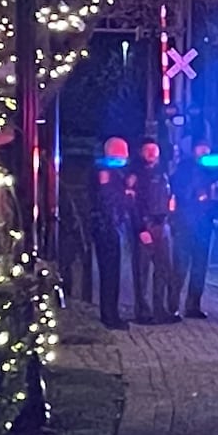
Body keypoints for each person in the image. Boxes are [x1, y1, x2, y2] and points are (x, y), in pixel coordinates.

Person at [172, 141, 218, 319]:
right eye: (201, 149)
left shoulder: (213, 171)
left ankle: (193, 305)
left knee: (200, 267)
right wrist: (198, 191)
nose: (204, 153)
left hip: (205, 225)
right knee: (180, 267)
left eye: (207, 150)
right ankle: (172, 305)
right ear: (194, 151)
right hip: (186, 224)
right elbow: (180, 192)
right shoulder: (185, 169)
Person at [132, 139, 180, 324]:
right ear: (141, 153)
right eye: (148, 150)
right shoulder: (137, 175)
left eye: (154, 150)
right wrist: (140, 228)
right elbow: (133, 204)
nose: (152, 154)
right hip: (146, 225)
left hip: (163, 225)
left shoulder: (164, 174)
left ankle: (160, 310)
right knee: (142, 271)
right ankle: (143, 312)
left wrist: (171, 217)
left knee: (163, 269)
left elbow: (170, 197)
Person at [89, 137, 132, 330]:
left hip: (111, 226)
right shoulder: (105, 172)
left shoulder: (112, 172)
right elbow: (106, 199)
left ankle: (111, 313)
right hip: (107, 228)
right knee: (109, 273)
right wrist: (125, 192)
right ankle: (109, 315)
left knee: (112, 274)